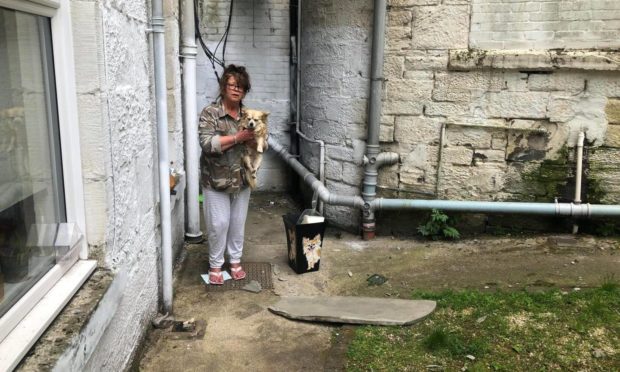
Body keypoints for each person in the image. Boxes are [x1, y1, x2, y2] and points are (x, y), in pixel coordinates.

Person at [199, 65, 255, 285]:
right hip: (216, 179)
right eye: (232, 85)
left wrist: (256, 141)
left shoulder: (248, 115)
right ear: (223, 87)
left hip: (242, 179)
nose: (236, 89)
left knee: (237, 223)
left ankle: (235, 260)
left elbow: (263, 142)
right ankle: (215, 264)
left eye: (240, 86)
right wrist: (237, 138)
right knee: (218, 223)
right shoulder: (210, 113)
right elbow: (207, 144)